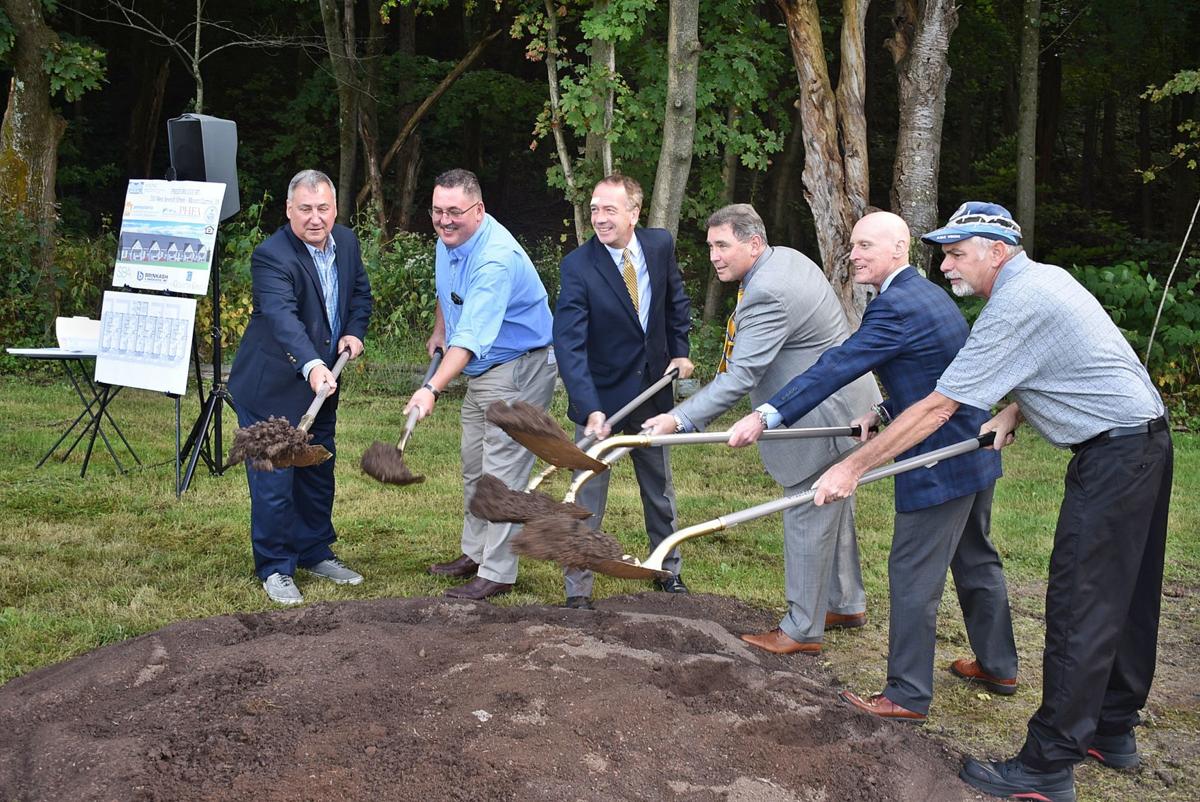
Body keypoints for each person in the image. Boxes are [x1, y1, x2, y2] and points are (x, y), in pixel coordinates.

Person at [813, 202, 1172, 802]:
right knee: (1128, 599)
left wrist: (852, 466)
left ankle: (1047, 765)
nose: (946, 264)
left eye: (957, 253)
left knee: (1080, 607)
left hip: (1113, 463)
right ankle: (1113, 731)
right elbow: (1079, 362)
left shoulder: (1013, 304)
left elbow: (938, 408)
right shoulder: (1047, 280)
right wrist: (1015, 407)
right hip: (1146, 443)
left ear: (996, 251)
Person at [726, 211, 1017, 721]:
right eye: (853, 245)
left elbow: (839, 364)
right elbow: (938, 368)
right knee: (975, 561)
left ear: (898, 249)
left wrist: (768, 413)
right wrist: (883, 410)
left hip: (938, 458)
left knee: (912, 575)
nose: (854, 254)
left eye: (865, 246)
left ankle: (905, 695)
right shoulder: (923, 294)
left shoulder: (898, 305)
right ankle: (997, 665)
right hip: (973, 446)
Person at [642, 203, 881, 654]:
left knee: (807, 507)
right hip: (850, 401)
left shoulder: (769, 290)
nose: (714, 256)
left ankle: (801, 629)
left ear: (753, 244)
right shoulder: (784, 259)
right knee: (833, 504)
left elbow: (741, 376)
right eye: (710, 245)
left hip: (823, 415)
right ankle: (844, 602)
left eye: (722, 246)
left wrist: (678, 418)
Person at [404, 168, 558, 601]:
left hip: (519, 367)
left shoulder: (494, 260)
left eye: (454, 212)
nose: (444, 220)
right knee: (475, 465)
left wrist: (431, 388)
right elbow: (448, 290)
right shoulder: (450, 241)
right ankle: (475, 553)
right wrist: (440, 329)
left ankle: (498, 572)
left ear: (479, 210)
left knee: (502, 473)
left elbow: (470, 339)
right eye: (437, 211)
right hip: (485, 371)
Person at [228, 169, 373, 605]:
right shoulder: (271, 256)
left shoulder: (346, 243)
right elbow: (282, 318)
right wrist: (311, 364)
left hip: (323, 386)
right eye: (305, 209)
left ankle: (313, 551)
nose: (315, 218)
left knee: (316, 471)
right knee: (275, 479)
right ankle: (275, 565)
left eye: (323, 208)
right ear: (289, 210)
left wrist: (354, 332)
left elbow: (359, 296)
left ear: (335, 209)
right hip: (271, 385)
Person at [553, 174, 695, 608]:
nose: (599, 218)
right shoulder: (578, 266)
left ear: (635, 213)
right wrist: (590, 407)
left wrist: (681, 351)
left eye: (609, 210)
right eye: (594, 209)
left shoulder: (659, 245)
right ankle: (578, 589)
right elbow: (569, 344)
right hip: (603, 401)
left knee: (660, 490)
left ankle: (665, 568)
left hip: (653, 394)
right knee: (585, 496)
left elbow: (676, 302)